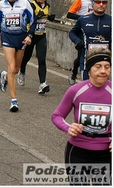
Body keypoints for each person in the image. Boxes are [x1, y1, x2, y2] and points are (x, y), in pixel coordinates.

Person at [51, 47, 111, 186]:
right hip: (78, 151)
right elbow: (57, 116)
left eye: (107, 67)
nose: (103, 71)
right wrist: (69, 128)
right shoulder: (76, 90)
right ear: (89, 69)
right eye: (98, 66)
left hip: (106, 154)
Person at [0, 0, 36, 112]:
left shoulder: (25, 3)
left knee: (15, 70)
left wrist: (30, 35)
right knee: (12, 67)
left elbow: (34, 21)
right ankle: (14, 101)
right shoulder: (1, 5)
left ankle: (4, 75)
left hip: (22, 38)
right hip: (7, 38)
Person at [18, 0, 56, 94]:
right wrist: (36, 17)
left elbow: (44, 15)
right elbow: (26, 18)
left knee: (42, 60)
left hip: (41, 36)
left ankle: (42, 84)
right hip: (30, 36)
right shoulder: (31, 5)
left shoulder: (47, 6)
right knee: (26, 58)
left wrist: (49, 17)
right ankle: (22, 72)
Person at [69, 0, 111, 81]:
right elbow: (72, 33)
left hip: (105, 60)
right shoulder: (83, 19)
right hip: (87, 59)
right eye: (98, 2)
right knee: (88, 85)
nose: (101, 5)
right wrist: (77, 41)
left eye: (104, 3)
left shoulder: (110, 20)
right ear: (92, 3)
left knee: (102, 87)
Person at [67, 0, 100, 85]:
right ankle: (75, 72)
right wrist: (83, 17)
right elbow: (70, 14)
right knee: (82, 55)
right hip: (82, 31)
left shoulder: (100, 0)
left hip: (94, 31)